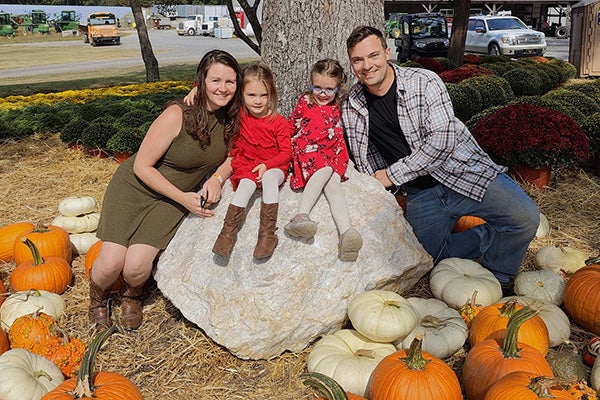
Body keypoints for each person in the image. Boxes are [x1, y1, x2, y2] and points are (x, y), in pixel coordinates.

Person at [341, 26, 540, 294]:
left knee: (525, 217)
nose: (367, 66)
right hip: (420, 194)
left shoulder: (424, 82)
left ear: (387, 53)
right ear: (351, 63)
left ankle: (499, 276)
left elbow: (442, 142)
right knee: (428, 261)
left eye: (373, 55)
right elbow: (362, 157)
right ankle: (483, 237)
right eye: (358, 60)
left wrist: (390, 176)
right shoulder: (352, 104)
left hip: (462, 172)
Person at [89, 49, 243, 331]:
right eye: (215, 80)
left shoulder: (233, 118)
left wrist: (217, 178)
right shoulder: (177, 114)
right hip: (136, 188)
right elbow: (142, 167)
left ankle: (131, 295)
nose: (223, 88)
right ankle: (98, 297)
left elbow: (235, 156)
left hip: (169, 201)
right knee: (110, 263)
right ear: (202, 81)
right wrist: (184, 199)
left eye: (230, 82)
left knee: (135, 267)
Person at [284, 58, 363, 262]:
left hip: (333, 152)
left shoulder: (340, 104)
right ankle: (300, 215)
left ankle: (346, 233)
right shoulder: (305, 100)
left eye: (329, 89)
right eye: (317, 87)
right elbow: (292, 125)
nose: (322, 93)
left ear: (338, 87)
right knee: (325, 170)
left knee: (334, 185)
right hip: (308, 151)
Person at [212, 63, 292, 259]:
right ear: (242, 95)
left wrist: (268, 165)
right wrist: (196, 89)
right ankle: (227, 233)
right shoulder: (240, 116)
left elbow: (286, 153)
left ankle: (267, 235)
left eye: (263, 95)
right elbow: (218, 96)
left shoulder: (278, 122)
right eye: (251, 95)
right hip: (248, 163)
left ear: (271, 94)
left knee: (269, 179)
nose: (257, 101)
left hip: (274, 165)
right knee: (246, 185)